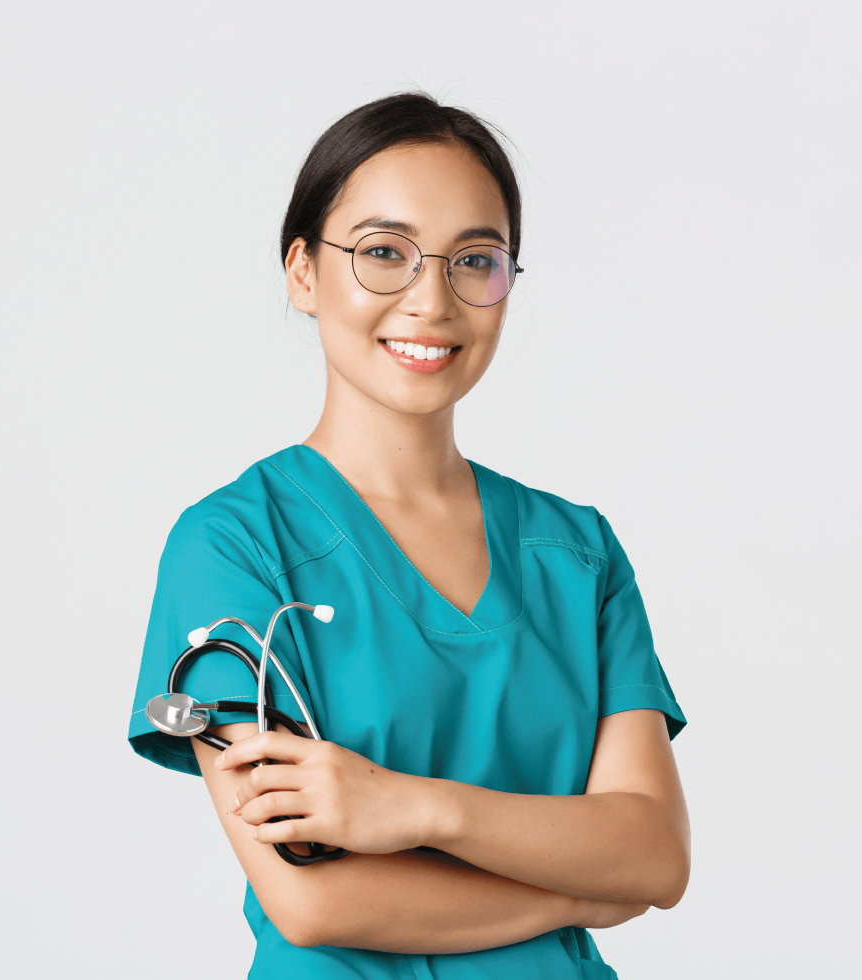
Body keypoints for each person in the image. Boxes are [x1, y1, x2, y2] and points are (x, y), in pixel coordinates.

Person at [127, 92, 690, 980]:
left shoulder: (578, 553)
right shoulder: (234, 547)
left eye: (476, 259)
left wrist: (411, 809)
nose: (432, 299)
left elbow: (655, 854)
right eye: (384, 253)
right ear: (304, 272)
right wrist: (585, 892)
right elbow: (313, 901)